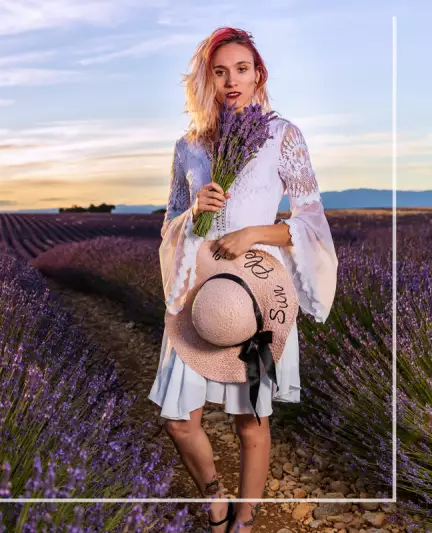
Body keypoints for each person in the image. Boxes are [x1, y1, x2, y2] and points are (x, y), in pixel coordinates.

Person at [147, 27, 339, 533]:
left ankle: (245, 517)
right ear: (206, 78)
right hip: (199, 292)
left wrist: (256, 230)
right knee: (177, 420)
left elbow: (311, 225)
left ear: (259, 75)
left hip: (254, 293)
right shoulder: (188, 146)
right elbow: (168, 226)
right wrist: (195, 214)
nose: (232, 80)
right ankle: (214, 501)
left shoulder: (283, 135)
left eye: (242, 68)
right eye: (220, 70)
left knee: (250, 421)